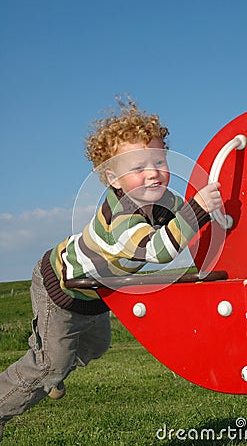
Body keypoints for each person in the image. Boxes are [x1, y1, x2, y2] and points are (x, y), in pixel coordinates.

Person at [0, 97, 221, 440]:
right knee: (49, 365)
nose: (152, 172)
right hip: (60, 284)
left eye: (159, 161)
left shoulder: (164, 200)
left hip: (94, 290)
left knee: (97, 346)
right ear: (112, 178)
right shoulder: (120, 217)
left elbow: (190, 223)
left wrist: (216, 216)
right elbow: (157, 250)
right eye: (136, 167)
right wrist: (199, 210)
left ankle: (52, 368)